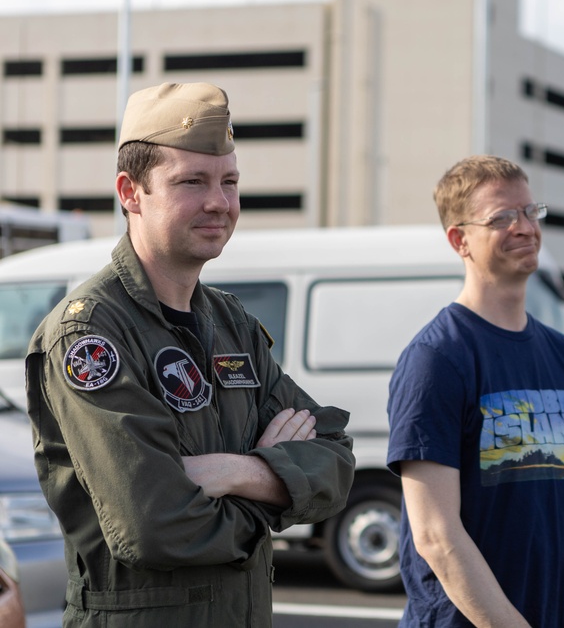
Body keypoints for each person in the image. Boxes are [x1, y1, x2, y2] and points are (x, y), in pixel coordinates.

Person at [25, 83, 356, 628]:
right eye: (191, 182)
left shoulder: (231, 324)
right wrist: (274, 493)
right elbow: (155, 526)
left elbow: (335, 462)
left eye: (229, 182)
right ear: (130, 192)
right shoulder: (90, 333)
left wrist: (233, 471)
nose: (219, 203)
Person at [387, 155, 564, 627]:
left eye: (531, 211)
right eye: (502, 218)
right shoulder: (437, 359)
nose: (525, 227)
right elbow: (435, 534)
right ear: (459, 240)